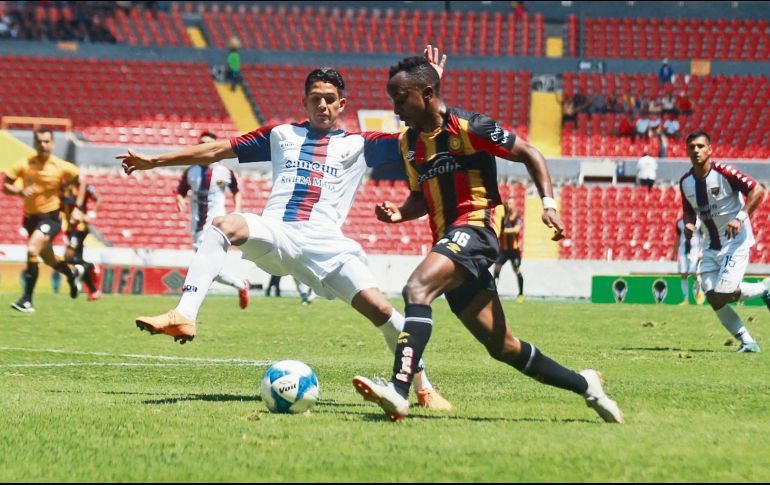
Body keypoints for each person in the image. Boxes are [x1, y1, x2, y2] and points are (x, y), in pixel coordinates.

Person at [118, 46, 452, 410]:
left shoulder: (362, 144)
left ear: (342, 104)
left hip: (326, 246)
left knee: (384, 314)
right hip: (276, 232)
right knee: (222, 225)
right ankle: (184, 314)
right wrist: (155, 160)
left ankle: (423, 386)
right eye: (315, 99)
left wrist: (431, 83)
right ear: (304, 102)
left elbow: (427, 129)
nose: (322, 106)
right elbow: (216, 151)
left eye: (329, 99)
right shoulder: (280, 135)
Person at [351, 56, 623, 424]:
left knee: (416, 289)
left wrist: (548, 204)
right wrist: (401, 212)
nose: (395, 108)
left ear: (427, 94)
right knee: (503, 347)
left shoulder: (470, 126)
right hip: (452, 242)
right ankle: (586, 384)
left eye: (400, 98)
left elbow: (529, 153)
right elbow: (422, 195)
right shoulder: (409, 144)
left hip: (477, 230)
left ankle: (398, 391)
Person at [680, 130, 770, 353]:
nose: (696, 150)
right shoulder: (685, 182)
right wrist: (689, 223)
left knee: (725, 292)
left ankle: (764, 288)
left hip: (735, 241)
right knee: (712, 295)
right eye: (692, 147)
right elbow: (688, 211)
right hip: (711, 244)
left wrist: (740, 218)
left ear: (710, 149)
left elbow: (757, 190)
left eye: (701, 146)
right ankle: (748, 342)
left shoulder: (723, 172)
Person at [2, 128, 82, 312]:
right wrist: (20, 191)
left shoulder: (61, 166)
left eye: (47, 141)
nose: (43, 145)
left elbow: (79, 181)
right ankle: (72, 274)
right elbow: (6, 186)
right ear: (34, 143)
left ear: (53, 143)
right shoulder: (24, 164)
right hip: (30, 219)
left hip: (51, 218)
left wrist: (75, 206)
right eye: (39, 141)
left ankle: (27, 300)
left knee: (32, 249)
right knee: (50, 259)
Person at [176, 131, 250, 310]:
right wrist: (180, 199)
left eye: (207, 143)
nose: (203, 145)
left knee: (201, 262)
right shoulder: (191, 171)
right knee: (208, 266)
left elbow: (237, 191)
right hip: (196, 224)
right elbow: (180, 190)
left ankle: (190, 297)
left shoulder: (224, 171)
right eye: (201, 142)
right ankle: (240, 285)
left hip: (216, 223)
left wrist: (237, 209)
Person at [61, 178, 102, 301]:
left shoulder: (83, 187)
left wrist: (91, 214)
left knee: (69, 256)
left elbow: (99, 199)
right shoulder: (62, 186)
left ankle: (89, 269)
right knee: (77, 260)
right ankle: (93, 290)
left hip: (80, 227)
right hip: (68, 227)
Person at [493, 197, 524, 303]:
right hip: (503, 250)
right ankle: (494, 293)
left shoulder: (517, 215)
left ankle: (521, 294)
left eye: (510, 203)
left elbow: (516, 230)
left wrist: (502, 231)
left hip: (514, 250)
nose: (508, 205)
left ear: (514, 204)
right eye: (507, 203)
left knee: (517, 270)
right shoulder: (502, 217)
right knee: (496, 268)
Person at [673, 217, 705, 305]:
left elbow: (703, 236)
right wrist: (674, 252)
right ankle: (686, 299)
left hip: (695, 250)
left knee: (693, 272)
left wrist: (702, 251)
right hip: (683, 251)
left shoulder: (699, 221)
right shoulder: (679, 222)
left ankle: (699, 292)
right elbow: (678, 237)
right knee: (683, 274)